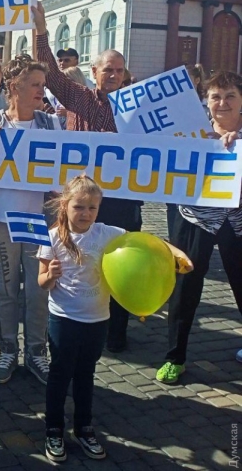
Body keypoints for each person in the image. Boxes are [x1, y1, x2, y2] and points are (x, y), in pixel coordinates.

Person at [38, 176, 191, 462]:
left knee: (86, 376)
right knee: (59, 377)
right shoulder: (52, 237)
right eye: (79, 207)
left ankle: (83, 428)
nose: (86, 214)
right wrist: (51, 276)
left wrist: (177, 252)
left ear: (99, 208)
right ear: (65, 205)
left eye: (92, 208)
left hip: (97, 320)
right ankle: (53, 430)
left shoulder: (108, 233)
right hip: (64, 320)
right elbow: (41, 281)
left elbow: (147, 242)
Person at [33, 2, 142, 353]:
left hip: (122, 200)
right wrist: (41, 31)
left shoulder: (138, 107)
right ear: (94, 71)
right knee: (80, 259)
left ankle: (118, 331)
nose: (113, 75)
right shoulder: (79, 98)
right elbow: (49, 73)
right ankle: (75, 318)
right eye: (107, 69)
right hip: (81, 200)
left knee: (121, 262)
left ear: (125, 75)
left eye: (119, 70)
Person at [0, 56, 59, 385]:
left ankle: (36, 352)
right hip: (2, 220)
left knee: (38, 291)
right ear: (14, 87)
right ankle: (7, 350)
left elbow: (62, 173)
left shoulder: (50, 124)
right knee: (5, 291)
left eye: (42, 85)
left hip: (37, 222)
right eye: (35, 85)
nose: (41, 91)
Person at [157, 71, 242, 384]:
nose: (223, 103)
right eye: (216, 97)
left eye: (230, 96)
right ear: (206, 102)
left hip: (237, 221)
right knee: (185, 288)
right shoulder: (191, 134)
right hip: (195, 218)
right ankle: (174, 358)